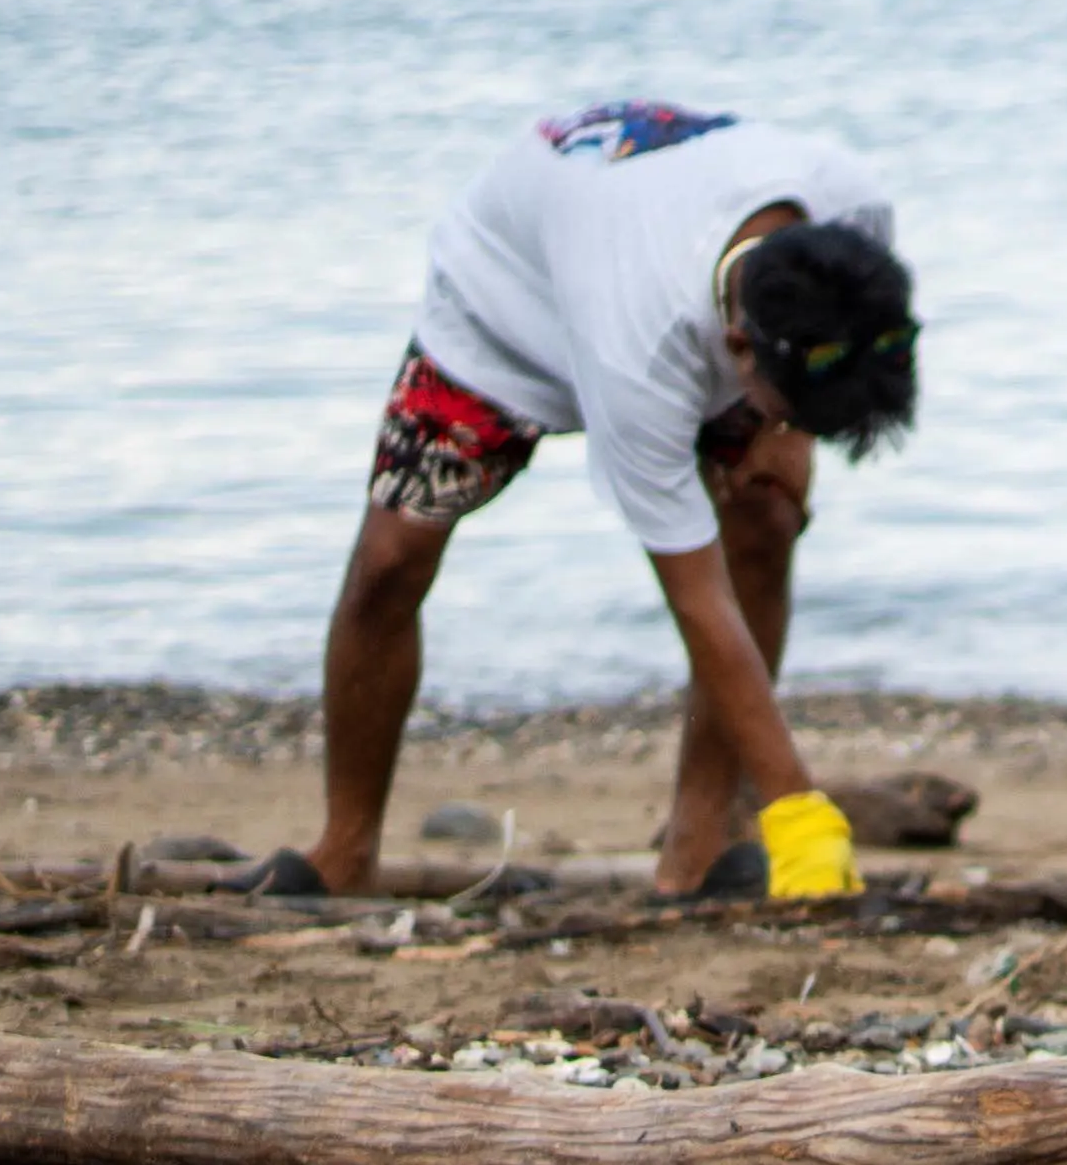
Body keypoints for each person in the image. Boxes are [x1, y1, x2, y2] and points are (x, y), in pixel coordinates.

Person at [292, 100, 916, 898]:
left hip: (649, 249)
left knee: (765, 515)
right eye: (791, 412)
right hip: (503, 305)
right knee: (390, 560)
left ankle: (693, 853)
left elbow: (846, 353)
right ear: (737, 350)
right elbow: (696, 595)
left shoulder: (853, 214)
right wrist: (796, 808)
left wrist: (785, 434)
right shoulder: (641, 348)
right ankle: (344, 849)